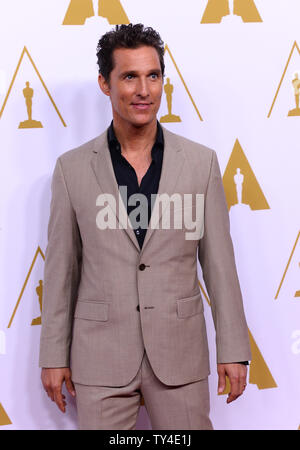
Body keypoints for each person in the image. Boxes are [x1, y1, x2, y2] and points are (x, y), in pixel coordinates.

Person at [39, 23, 251, 430]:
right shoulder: (71, 169)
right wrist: (53, 356)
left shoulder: (201, 163)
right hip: (100, 358)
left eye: (153, 76)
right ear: (105, 83)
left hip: (180, 354)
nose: (144, 90)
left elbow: (221, 266)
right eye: (129, 76)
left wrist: (234, 348)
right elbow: (61, 270)